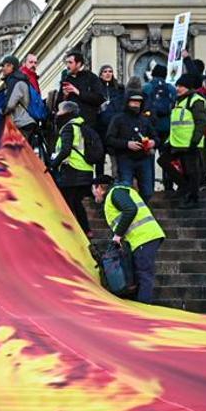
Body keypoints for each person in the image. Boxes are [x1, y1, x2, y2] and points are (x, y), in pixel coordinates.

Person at [92, 174, 166, 303]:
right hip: (141, 238)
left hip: (144, 237)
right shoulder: (117, 193)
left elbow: (131, 209)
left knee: (144, 275)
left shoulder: (116, 192)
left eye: (93, 190)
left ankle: (144, 310)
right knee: (138, 276)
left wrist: (118, 235)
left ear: (99, 188)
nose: (94, 195)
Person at [48, 99, 94, 237]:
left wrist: (53, 164)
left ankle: (76, 231)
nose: (57, 113)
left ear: (67, 112)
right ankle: (85, 230)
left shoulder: (68, 127)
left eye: (60, 110)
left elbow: (66, 150)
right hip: (86, 169)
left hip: (73, 170)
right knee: (76, 201)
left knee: (68, 201)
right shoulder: (82, 125)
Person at [105, 90, 159, 202]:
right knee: (126, 188)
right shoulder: (118, 119)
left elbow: (156, 137)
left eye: (138, 102)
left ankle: (141, 210)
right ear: (127, 102)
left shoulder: (145, 120)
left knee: (148, 191)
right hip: (125, 158)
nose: (136, 104)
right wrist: (127, 144)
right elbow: (109, 139)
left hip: (144, 158)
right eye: (133, 101)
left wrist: (152, 142)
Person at [167, 73, 206, 209]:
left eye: (181, 86)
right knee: (165, 162)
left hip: (190, 144)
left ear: (189, 87)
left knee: (192, 172)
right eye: (177, 85)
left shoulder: (195, 100)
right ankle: (186, 190)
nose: (178, 88)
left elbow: (201, 122)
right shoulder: (179, 100)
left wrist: (194, 141)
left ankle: (192, 198)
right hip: (177, 143)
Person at [59, 50, 104, 127]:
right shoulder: (66, 80)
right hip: (70, 123)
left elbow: (99, 98)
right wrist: (64, 96)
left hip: (88, 123)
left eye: (70, 62)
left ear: (78, 64)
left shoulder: (91, 77)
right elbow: (59, 104)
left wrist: (77, 92)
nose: (67, 65)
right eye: (66, 62)